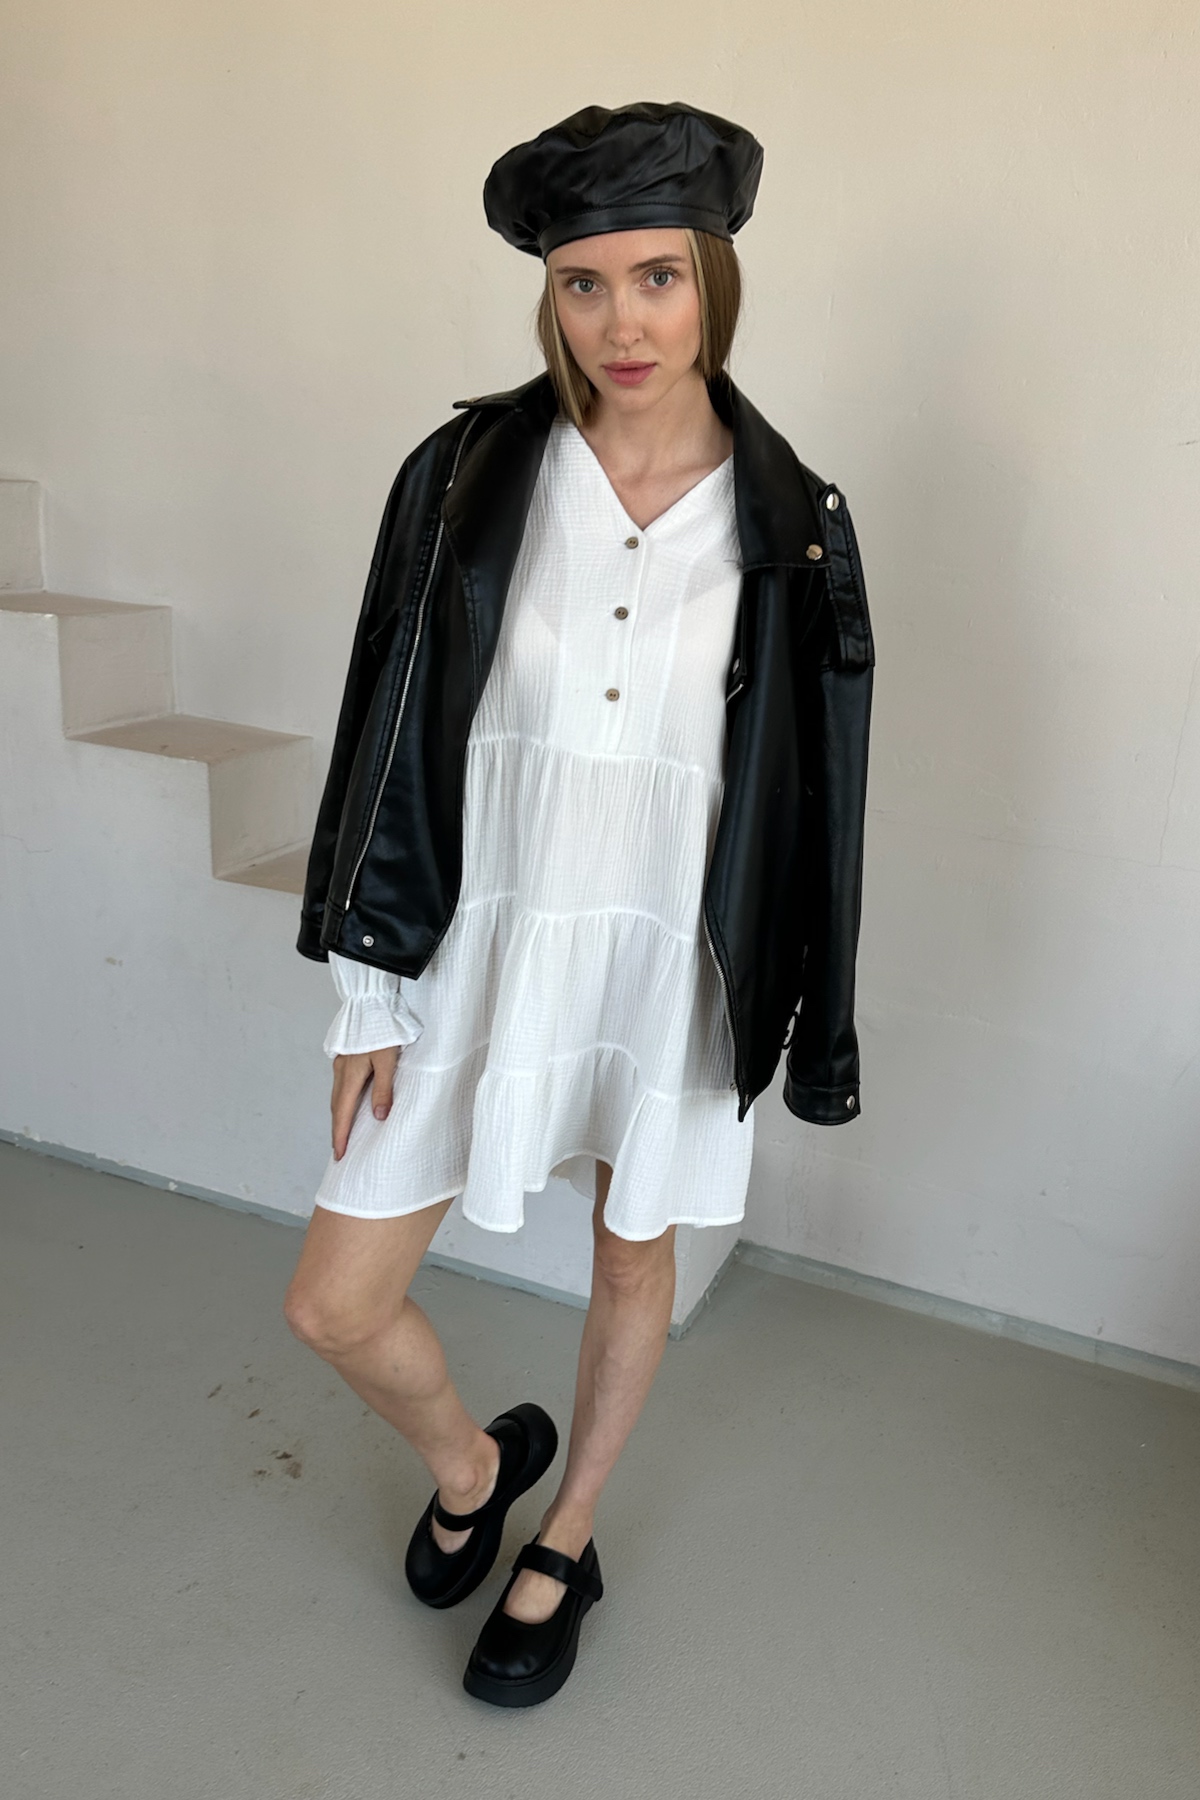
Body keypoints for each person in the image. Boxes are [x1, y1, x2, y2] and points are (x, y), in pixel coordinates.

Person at [284, 101, 874, 1708]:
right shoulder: (468, 474)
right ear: (548, 294)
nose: (624, 323)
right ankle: (475, 1466)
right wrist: (370, 985)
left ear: (714, 282)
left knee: (629, 1260)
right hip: (475, 939)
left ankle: (569, 1531)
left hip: (664, 959)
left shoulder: (792, 524)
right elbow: (384, 721)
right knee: (334, 1304)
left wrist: (803, 1017)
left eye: (658, 278)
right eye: (585, 284)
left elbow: (819, 802)